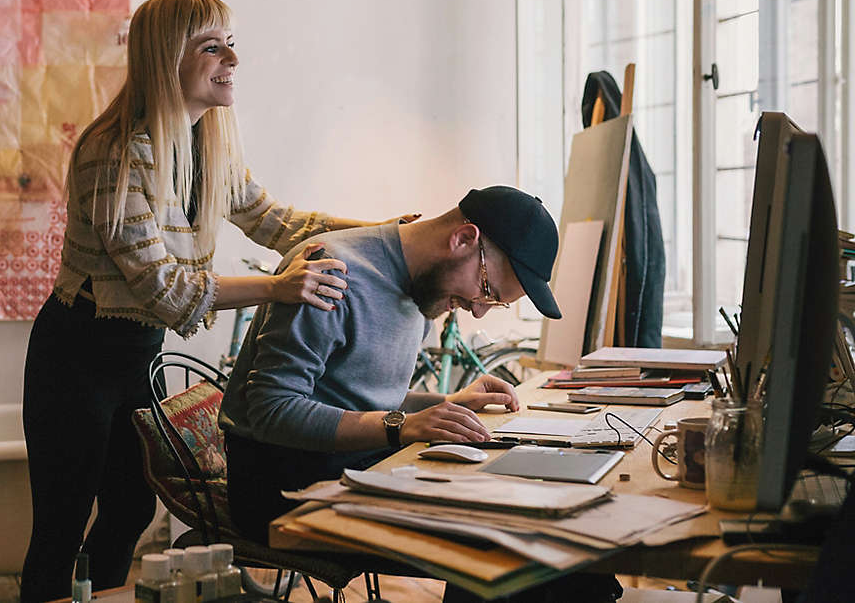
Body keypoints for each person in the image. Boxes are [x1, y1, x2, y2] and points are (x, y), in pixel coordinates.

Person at [19, 0, 414, 602]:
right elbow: (166, 290)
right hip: (77, 354)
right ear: (164, 58)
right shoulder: (113, 152)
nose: (232, 58)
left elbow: (280, 222)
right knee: (61, 522)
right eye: (212, 46)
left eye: (233, 43)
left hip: (137, 356)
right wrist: (276, 287)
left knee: (128, 511)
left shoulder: (211, 148)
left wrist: (390, 235)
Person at [219, 185, 622, 602]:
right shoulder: (331, 270)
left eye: (493, 303)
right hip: (281, 485)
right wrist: (402, 426)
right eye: (486, 289)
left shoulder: (424, 290)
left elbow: (363, 397)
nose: (478, 310)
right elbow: (272, 409)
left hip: (364, 465)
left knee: (563, 538)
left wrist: (446, 404)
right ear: (464, 240)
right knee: (508, 548)